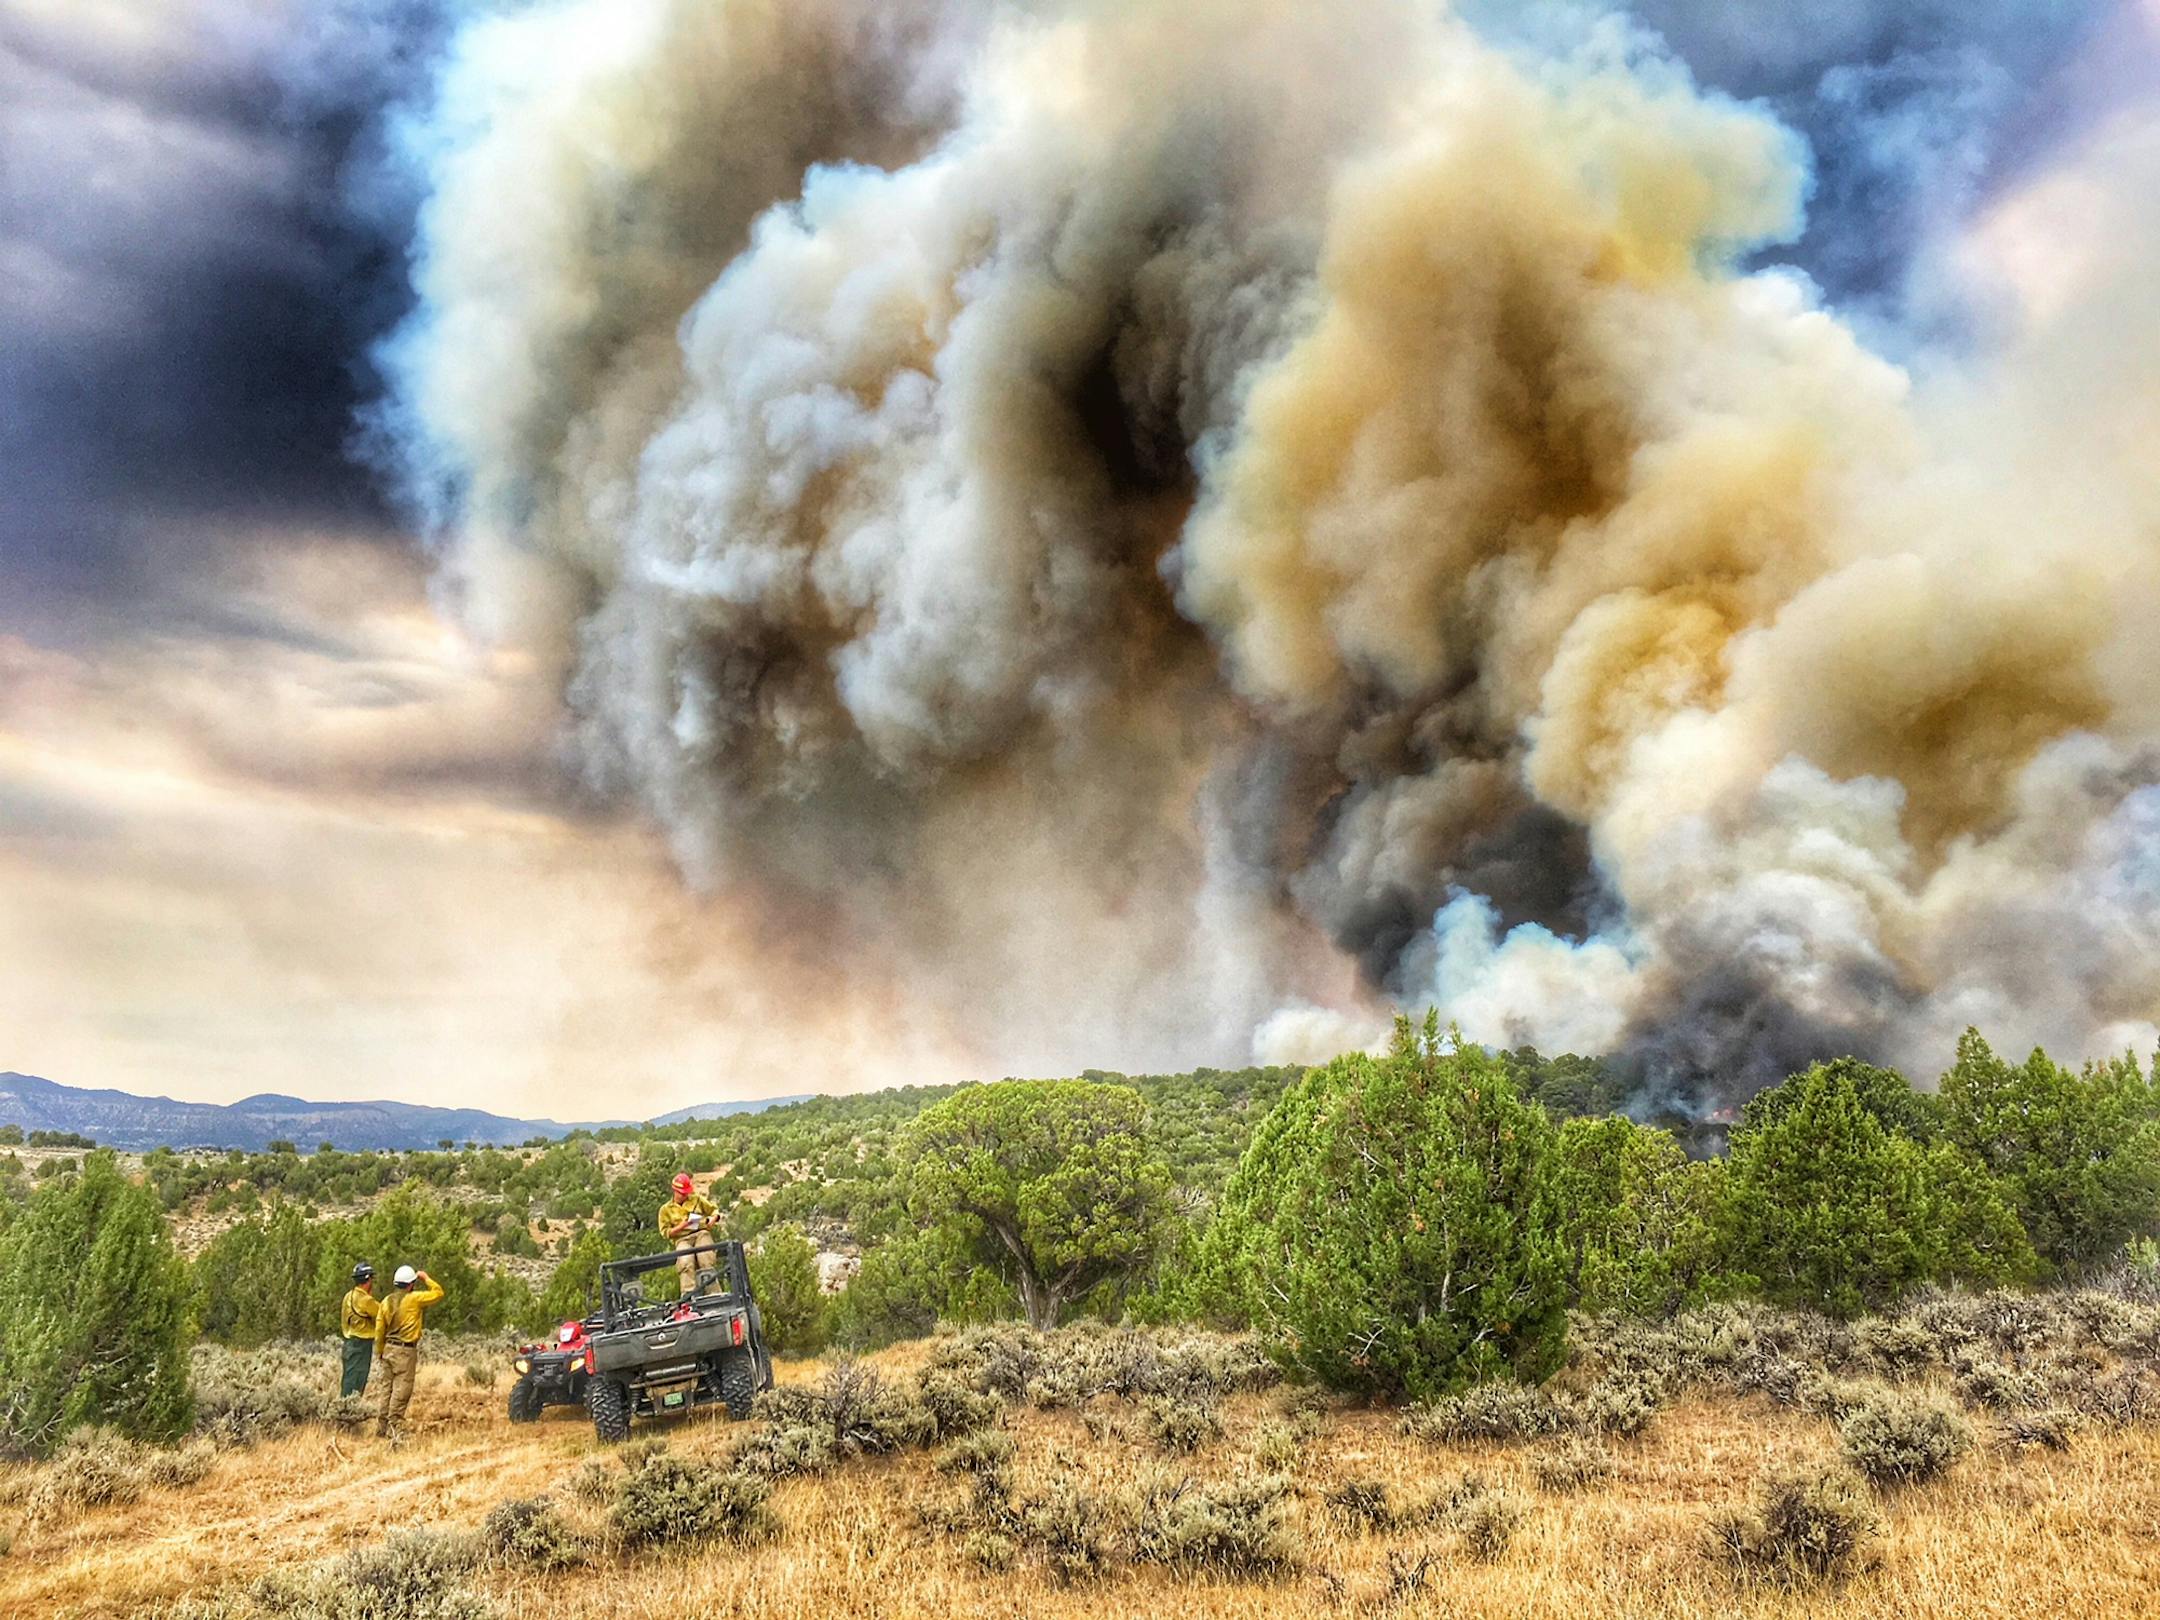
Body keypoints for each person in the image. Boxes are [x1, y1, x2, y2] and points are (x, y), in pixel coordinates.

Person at [372, 1264, 444, 1440]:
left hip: (388, 1348)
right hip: (405, 1351)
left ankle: (381, 1428)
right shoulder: (415, 1299)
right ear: (411, 1284)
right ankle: (395, 1428)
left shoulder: (386, 1301)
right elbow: (438, 1293)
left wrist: (380, 1351)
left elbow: (379, 1329)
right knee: (401, 1390)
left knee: (385, 1390)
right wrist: (426, 1278)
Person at [658, 1172, 721, 1295]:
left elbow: (713, 1210)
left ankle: (713, 1293)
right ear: (675, 1191)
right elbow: (665, 1232)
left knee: (705, 1257)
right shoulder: (665, 1210)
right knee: (685, 1261)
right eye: (682, 1194)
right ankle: (689, 1296)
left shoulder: (696, 1200)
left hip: (701, 1233)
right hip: (682, 1239)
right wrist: (682, 1226)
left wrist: (713, 1219)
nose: (685, 1196)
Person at [338, 1263, 381, 1398]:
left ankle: (345, 1407)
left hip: (349, 1342)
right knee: (358, 1378)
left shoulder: (348, 1296)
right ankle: (350, 1410)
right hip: (361, 1344)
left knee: (348, 1377)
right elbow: (383, 1314)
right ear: (368, 1280)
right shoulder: (366, 1300)